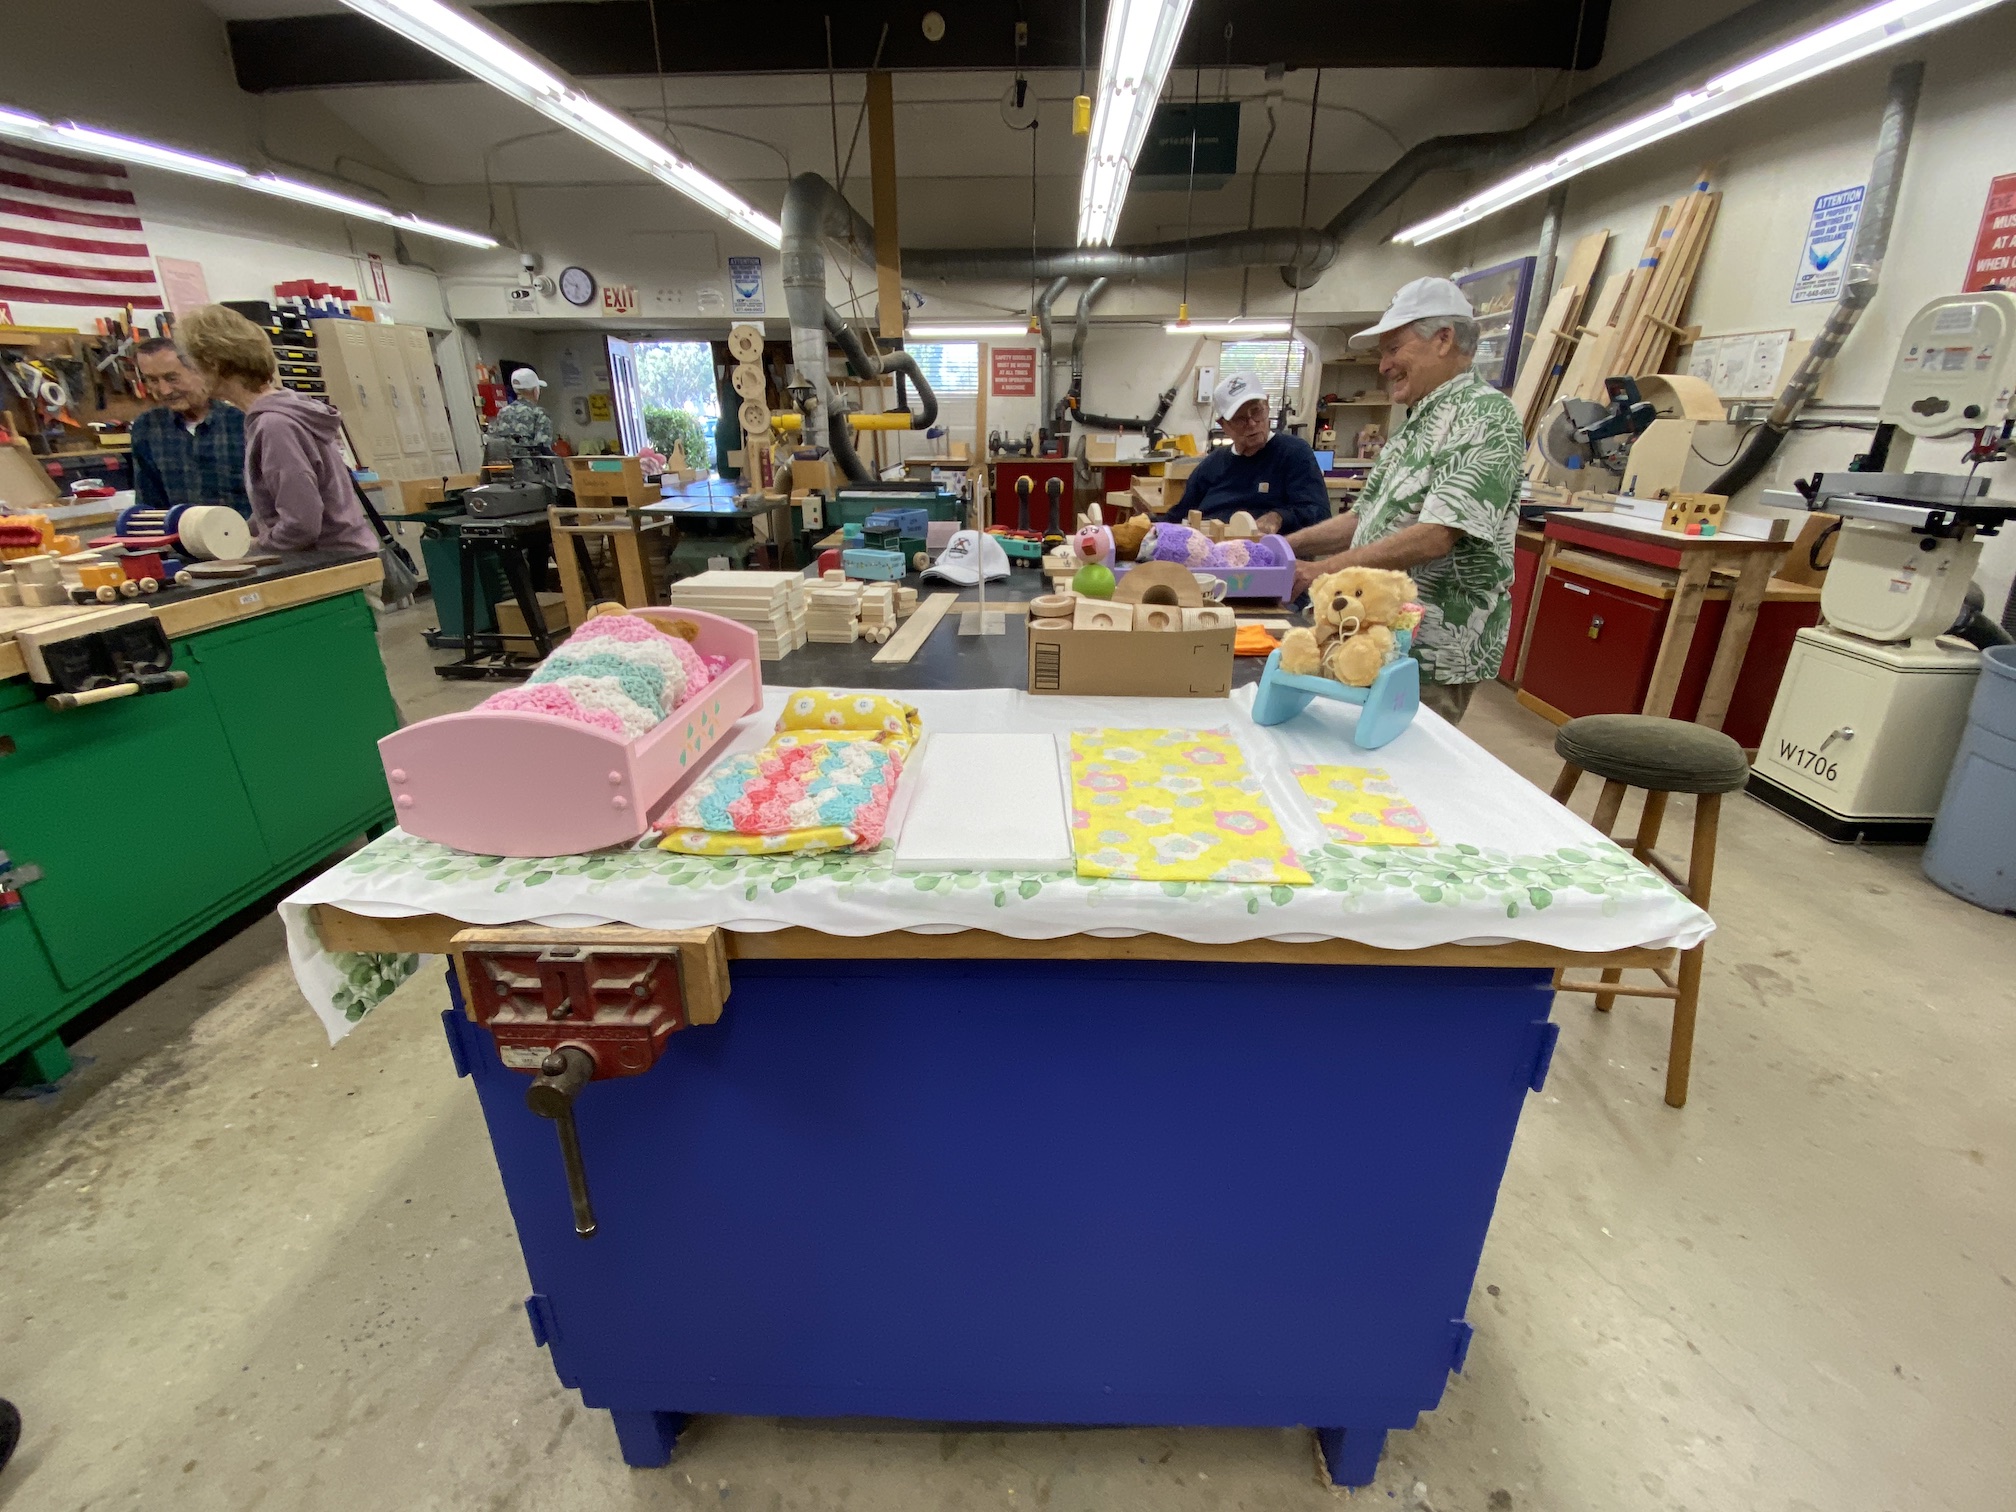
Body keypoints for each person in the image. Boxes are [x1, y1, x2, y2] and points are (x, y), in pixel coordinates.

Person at [1282, 278, 1524, 726]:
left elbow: (1435, 536)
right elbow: (1364, 518)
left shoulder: (1484, 415)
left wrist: (1322, 570)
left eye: (1394, 348)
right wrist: (1283, 548)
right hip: (1375, 634)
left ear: (1443, 339)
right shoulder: (1417, 421)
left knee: (1400, 757)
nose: (1384, 365)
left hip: (1428, 648)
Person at [176, 304, 377, 556]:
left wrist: (251, 548)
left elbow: (301, 524)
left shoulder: (275, 425)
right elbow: (277, 511)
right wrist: (237, 532)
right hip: (343, 557)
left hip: (334, 563)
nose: (191, 376)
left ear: (213, 364)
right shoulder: (283, 410)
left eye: (192, 366)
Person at [1170, 372, 1330, 535]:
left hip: (1266, 548)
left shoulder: (1294, 453)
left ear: (1267, 405)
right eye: (1240, 419)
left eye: (1256, 411)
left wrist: (1279, 517)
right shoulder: (1211, 465)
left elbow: (1318, 514)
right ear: (1223, 425)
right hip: (1208, 544)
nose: (1252, 423)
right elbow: (1179, 516)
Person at [128, 337, 251, 516]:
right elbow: (150, 508)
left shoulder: (244, 422)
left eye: (172, 378)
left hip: (246, 533)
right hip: (180, 535)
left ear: (199, 370)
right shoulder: (147, 428)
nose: (164, 390)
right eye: (152, 380)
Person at [488, 366, 555, 451]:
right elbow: (544, 449)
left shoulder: (503, 412)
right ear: (535, 391)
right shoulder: (540, 413)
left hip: (507, 459)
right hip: (530, 460)